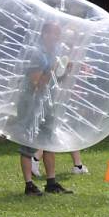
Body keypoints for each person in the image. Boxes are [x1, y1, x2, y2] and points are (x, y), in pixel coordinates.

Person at [15, 22, 72, 196]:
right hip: (30, 104)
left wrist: (65, 72)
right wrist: (54, 69)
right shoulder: (36, 54)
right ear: (44, 34)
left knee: (48, 142)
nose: (57, 38)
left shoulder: (53, 53)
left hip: (47, 103)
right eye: (54, 33)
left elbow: (53, 81)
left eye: (58, 34)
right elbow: (37, 83)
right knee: (28, 143)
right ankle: (29, 185)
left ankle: (51, 182)